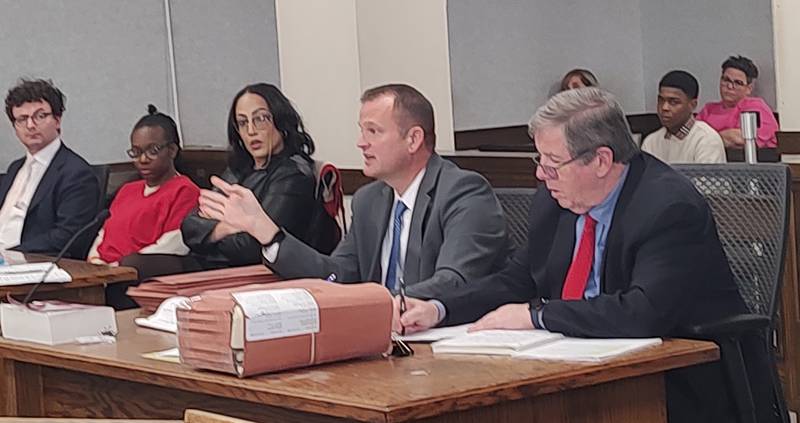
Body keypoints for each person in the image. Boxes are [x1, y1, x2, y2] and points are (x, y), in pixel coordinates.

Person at [398, 88, 761, 422]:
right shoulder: (556, 200)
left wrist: (537, 316)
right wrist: (437, 308)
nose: (542, 174)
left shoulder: (667, 207)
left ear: (601, 160)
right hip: (571, 370)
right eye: (539, 160)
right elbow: (518, 278)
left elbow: (642, 313)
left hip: (673, 383)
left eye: (553, 162)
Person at [199, 83, 509, 299]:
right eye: (362, 131)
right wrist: (267, 232)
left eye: (373, 131)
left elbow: (454, 282)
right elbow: (337, 274)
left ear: (413, 139)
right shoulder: (370, 200)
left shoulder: (464, 192)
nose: (361, 142)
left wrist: (370, 305)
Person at [178, 83, 338, 271]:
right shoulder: (238, 170)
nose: (251, 131)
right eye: (243, 123)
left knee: (148, 272)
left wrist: (208, 237)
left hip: (257, 275)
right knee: (145, 270)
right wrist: (226, 228)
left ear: (281, 121)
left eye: (261, 119)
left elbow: (252, 248)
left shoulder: (294, 174)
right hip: (216, 267)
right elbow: (189, 228)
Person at [87, 105, 199, 266]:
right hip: (103, 274)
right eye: (136, 152)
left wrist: (118, 269)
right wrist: (94, 262)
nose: (143, 159)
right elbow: (103, 234)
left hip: (137, 276)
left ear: (172, 150)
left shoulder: (185, 190)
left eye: (152, 150)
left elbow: (173, 245)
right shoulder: (127, 190)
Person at [0, 79, 99, 258]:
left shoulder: (76, 173)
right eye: (22, 119)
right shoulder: (15, 169)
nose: (30, 125)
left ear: (57, 120)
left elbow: (67, 237)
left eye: (40, 116)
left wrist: (9, 254)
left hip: (34, 266)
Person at [641, 70, 726, 163]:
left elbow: (707, 178)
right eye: (661, 100)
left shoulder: (706, 140)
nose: (664, 107)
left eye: (673, 102)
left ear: (693, 105)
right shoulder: (651, 142)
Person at [697, 55, 779, 148]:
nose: (730, 87)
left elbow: (740, 138)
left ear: (749, 89)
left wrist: (708, 141)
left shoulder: (756, 106)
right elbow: (693, 139)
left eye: (737, 83)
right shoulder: (708, 109)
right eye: (726, 80)